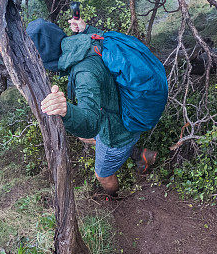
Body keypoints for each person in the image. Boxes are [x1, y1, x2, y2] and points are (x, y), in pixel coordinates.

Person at [26, 14, 158, 198]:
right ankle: (142, 155)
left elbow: (90, 125)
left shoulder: (84, 74)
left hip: (120, 130)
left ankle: (114, 198)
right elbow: (101, 39)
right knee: (85, 138)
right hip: (127, 107)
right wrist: (86, 28)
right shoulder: (85, 40)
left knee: (102, 175)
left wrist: (66, 111)